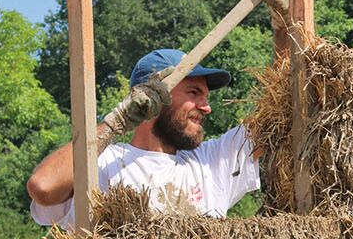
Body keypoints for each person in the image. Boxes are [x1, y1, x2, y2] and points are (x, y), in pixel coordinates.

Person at [27, 47, 260, 227]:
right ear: (152, 96)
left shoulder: (211, 162)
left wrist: (281, 22)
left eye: (206, 96)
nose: (207, 107)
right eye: (194, 93)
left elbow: (278, 111)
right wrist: (117, 120)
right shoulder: (103, 164)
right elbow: (43, 187)